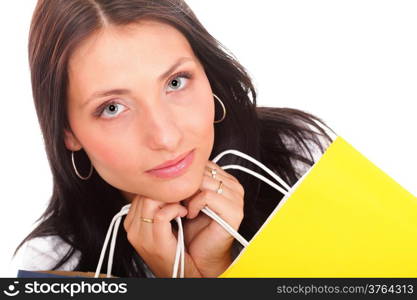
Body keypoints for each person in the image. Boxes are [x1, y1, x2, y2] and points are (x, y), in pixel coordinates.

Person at [12, 0, 334, 278]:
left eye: (176, 82)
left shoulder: (297, 161)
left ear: (206, 74)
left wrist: (221, 268)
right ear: (68, 131)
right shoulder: (53, 266)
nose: (165, 137)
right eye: (112, 108)